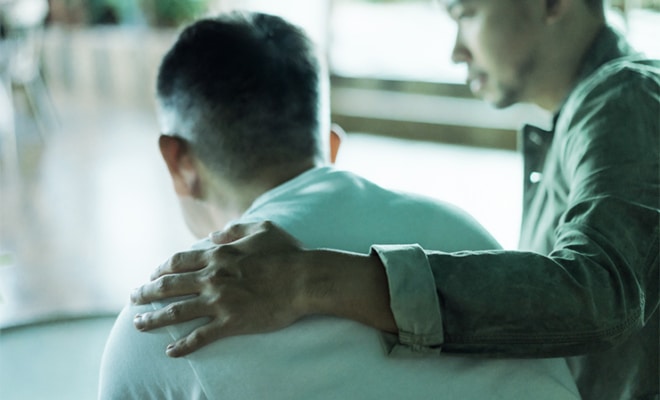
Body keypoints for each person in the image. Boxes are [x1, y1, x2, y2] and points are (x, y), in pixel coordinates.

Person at [130, 2, 660, 399]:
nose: (456, 48)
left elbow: (603, 292)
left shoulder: (624, 96)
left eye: (466, 13)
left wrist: (305, 280)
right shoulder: (589, 116)